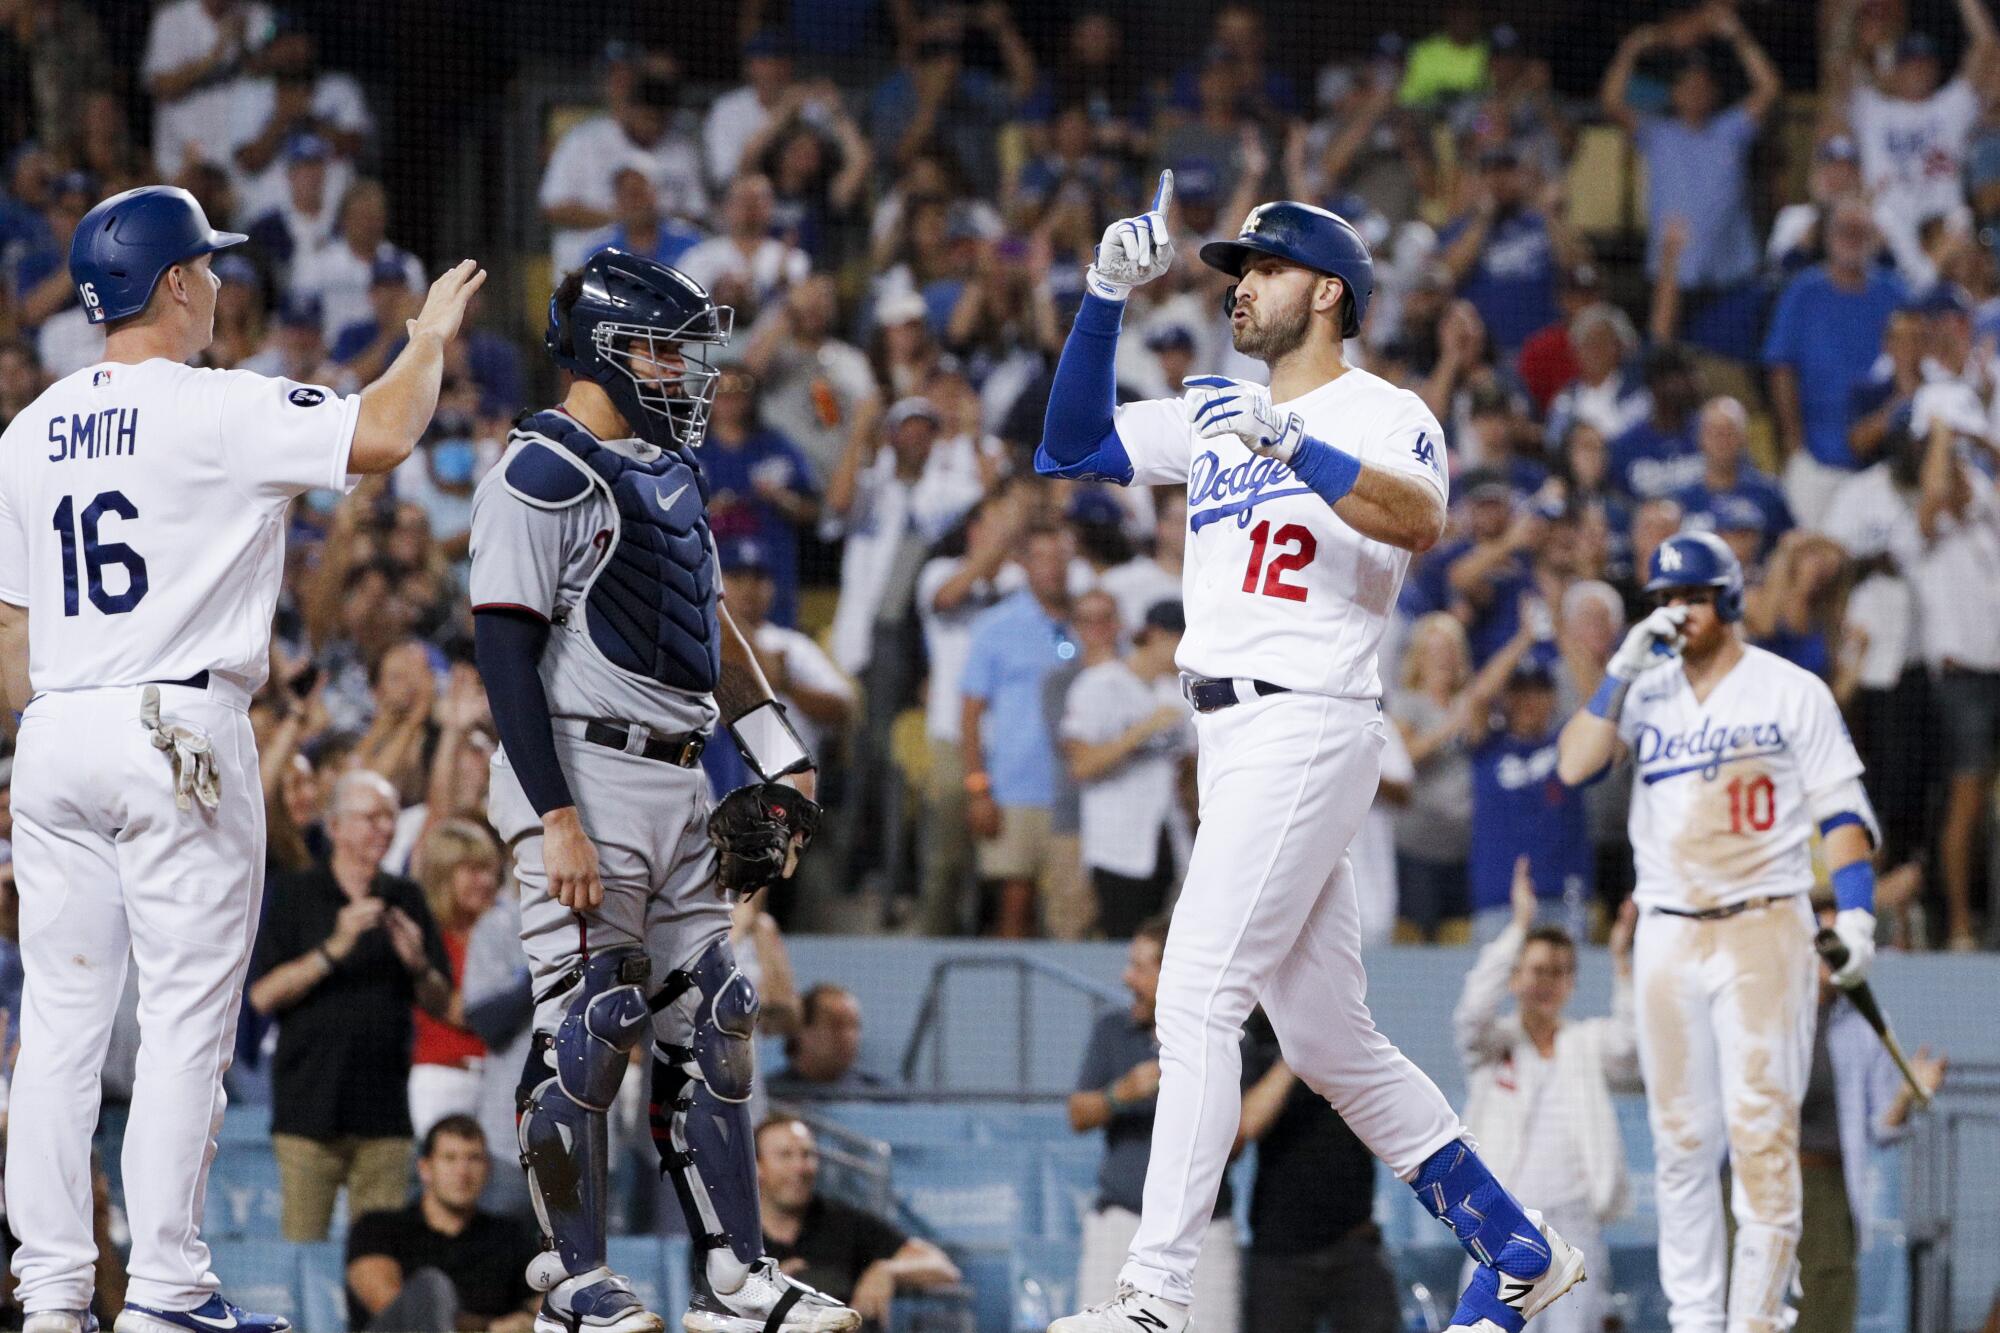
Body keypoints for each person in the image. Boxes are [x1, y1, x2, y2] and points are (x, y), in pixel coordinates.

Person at [1035, 178, 1584, 1333]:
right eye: (1235, 270)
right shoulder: (1211, 408)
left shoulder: (1383, 411)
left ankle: (1150, 1296)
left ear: (1326, 290)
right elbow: (1069, 443)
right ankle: (1515, 1246)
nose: (1239, 286)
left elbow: (1418, 518)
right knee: (1329, 1040)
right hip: (1230, 736)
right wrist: (1100, 298)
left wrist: (1296, 444)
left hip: (1307, 714)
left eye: (1264, 270)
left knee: (1192, 999)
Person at [0, 184, 479, 1333]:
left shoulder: (27, 430)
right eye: (205, 265)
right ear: (171, 283)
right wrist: (423, 342)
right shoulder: (212, 406)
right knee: (180, 1029)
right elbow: (382, 430)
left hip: (56, 730)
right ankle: (163, 1294)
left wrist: (53, 740)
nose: (219, 282)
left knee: (60, 1038)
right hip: (174, 729)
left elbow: (12, 633)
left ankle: (55, 1298)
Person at [466, 248, 855, 1333]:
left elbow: (707, 623)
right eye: (662, 349)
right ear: (604, 347)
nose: (683, 372)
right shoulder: (539, 468)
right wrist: (552, 818)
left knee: (719, 1020)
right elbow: (502, 651)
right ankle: (575, 1279)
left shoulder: (669, 472)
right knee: (588, 1023)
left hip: (682, 772)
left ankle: (736, 1278)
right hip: (579, 773)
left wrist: (775, 742)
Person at [1555, 531, 1884, 1333]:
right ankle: (1698, 1318)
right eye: (1667, 598)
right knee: (1681, 1142)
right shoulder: (1648, 689)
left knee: (1762, 1132)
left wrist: (1860, 910)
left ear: (1729, 599)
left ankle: (1759, 1318)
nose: (1679, 612)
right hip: (1669, 927)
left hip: (1763, 922)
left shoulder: (1789, 688)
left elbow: (1842, 810)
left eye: (1694, 596)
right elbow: (1573, 765)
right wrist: (1617, 674)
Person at [249, 769, 455, 1240]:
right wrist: (332, 950)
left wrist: (419, 964)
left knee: (380, 1252)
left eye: (389, 817)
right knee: (302, 1248)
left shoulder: (405, 896)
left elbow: (441, 1003)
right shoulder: (297, 894)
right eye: (370, 817)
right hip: (308, 1109)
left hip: (384, 1110)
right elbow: (262, 996)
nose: (383, 828)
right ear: (336, 826)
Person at [1454, 871, 1640, 1333]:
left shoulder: (1587, 1043)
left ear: (1572, 983)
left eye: (1558, 973)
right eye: (1536, 970)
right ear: (1515, 978)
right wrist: (1519, 926)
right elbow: (1473, 1008)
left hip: (1573, 1231)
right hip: (1501, 1227)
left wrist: (1620, 960)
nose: (1546, 983)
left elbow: (1634, 1049)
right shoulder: (1492, 1045)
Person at [1067, 920, 1240, 1333]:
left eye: (1141, 968)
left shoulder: (1220, 1036)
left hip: (1205, 1233)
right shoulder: (1113, 1029)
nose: (1128, 977)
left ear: (1174, 973)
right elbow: (1077, 1114)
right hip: (1121, 1225)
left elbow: (1236, 1142)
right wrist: (1120, 1093)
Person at [1794, 904, 1948, 1333]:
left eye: (1837, 945)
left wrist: (1906, 1093)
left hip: (1828, 1187)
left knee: (1825, 1310)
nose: (1828, 954)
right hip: (1761, 1180)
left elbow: (1881, 1126)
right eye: (1820, 942)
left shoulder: (1868, 1025)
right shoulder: (1770, 1013)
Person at [1599, 7, 1781, 362]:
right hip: (1673, 281)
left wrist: (1737, 37)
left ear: (1714, 92)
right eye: (1687, 85)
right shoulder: (1658, 134)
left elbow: (1769, 88)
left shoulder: (1730, 130)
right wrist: (1631, 49)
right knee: (1667, 365)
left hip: (1730, 281)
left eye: (1703, 85)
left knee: (1731, 372)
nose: (1695, 91)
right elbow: (1611, 102)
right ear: (1675, 93)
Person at [1237, 1008, 1400, 1333]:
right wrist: (1296, 1056)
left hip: (1355, 1242)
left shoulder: (1349, 1041)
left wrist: (1339, 1055)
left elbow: (1383, 1141)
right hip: (1280, 1250)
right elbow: (1246, 1125)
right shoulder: (1252, 1040)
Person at [960, 523, 1078, 938]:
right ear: (1024, 565)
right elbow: (970, 713)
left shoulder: (1091, 621)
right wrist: (978, 788)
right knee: (1015, 903)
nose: (1054, 568)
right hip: (1014, 787)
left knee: (1072, 912)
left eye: (1061, 557)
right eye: (1042, 558)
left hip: (1076, 789)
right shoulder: (996, 625)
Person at [1763, 198, 1907, 527]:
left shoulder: (1895, 293)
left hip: (1882, 461)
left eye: (1861, 231)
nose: (1852, 238)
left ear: (1875, 238)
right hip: (1817, 457)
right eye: (1844, 230)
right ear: (1826, 237)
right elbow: (1781, 369)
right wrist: (1794, 443)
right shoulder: (1802, 292)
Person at [1060, 600, 1193, 937]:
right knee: (1123, 942)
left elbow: (1187, 769)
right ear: (1156, 635)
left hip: (1170, 837)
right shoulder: (1100, 684)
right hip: (1117, 840)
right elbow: (1081, 764)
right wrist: (1142, 730)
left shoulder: (1177, 692)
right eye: (1180, 639)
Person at [755, 1116, 958, 1331]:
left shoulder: (842, 1221)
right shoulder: (732, 1235)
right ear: (756, 1166)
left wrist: (888, 1270)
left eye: (807, 1154)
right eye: (785, 1156)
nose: (799, 1167)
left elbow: (942, 1267)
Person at [344, 1116, 541, 1333]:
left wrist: (526, 1321)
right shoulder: (379, 1228)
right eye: (450, 1158)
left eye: (474, 1159)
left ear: (488, 1169)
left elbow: (546, 1307)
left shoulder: (508, 1235)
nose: (462, 1172)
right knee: (431, 1287)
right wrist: (488, 1327)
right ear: (425, 1168)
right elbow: (391, 1305)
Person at [767, 983, 878, 1100]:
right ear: (801, 1030)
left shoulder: (879, 1097)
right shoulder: (769, 1099)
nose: (848, 1036)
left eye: (854, 1025)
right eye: (836, 1025)